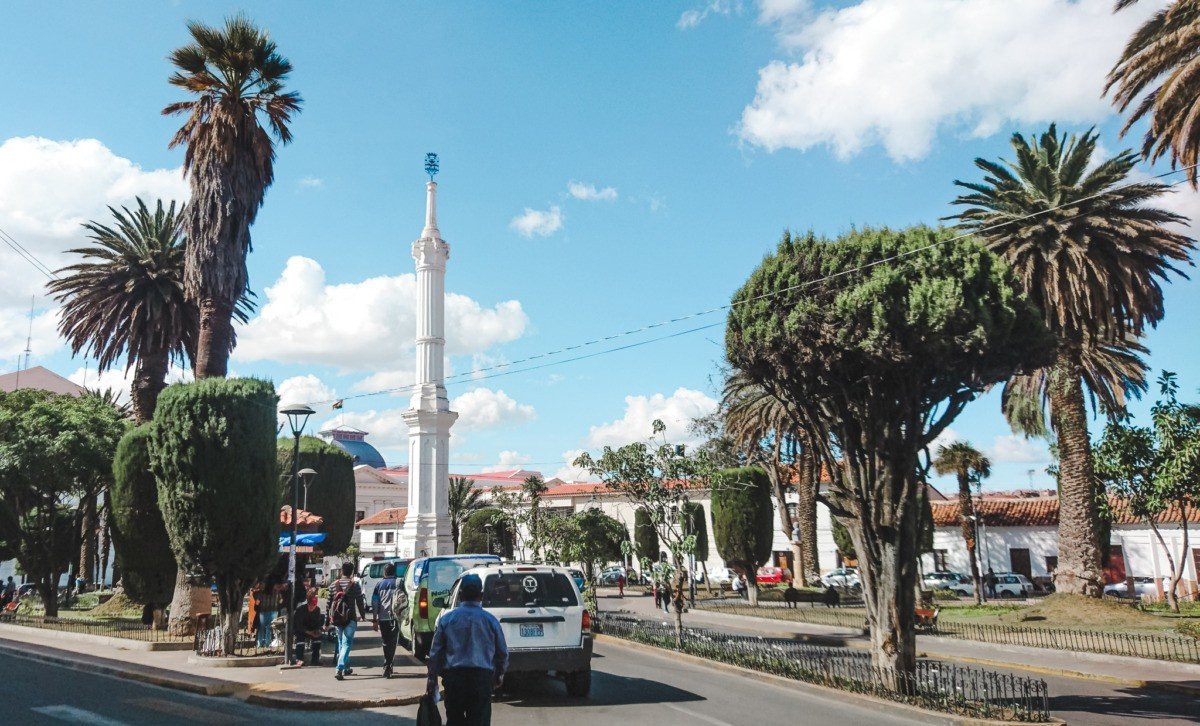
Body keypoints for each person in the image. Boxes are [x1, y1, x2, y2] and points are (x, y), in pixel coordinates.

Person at [426, 574, 508, 726]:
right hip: (481, 680)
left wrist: (432, 679)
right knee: (479, 721)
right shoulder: (491, 621)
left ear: (461, 595)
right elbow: (502, 653)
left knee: (455, 720)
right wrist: (498, 675)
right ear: (481, 596)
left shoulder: (447, 620)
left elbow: (435, 653)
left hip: (454, 680)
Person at [327, 561, 367, 680]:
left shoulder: (333, 585)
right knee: (347, 643)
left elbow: (328, 604)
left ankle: (346, 668)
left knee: (341, 643)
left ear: (341, 571)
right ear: (352, 573)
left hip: (337, 619)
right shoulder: (355, 586)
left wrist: (326, 621)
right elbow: (360, 601)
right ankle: (339, 668)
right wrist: (363, 615)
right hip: (350, 619)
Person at [372, 562, 400, 678]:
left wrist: (375, 619)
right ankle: (389, 664)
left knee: (385, 641)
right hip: (396, 617)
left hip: (383, 618)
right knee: (393, 643)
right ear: (394, 572)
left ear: (384, 572)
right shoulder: (399, 583)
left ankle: (387, 664)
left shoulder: (379, 585)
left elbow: (375, 602)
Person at [293, 588, 324, 666]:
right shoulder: (300, 610)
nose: (312, 608)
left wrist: (318, 630)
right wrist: (309, 632)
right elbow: (299, 626)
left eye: (314, 606)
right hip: (301, 630)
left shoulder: (317, 610)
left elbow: (317, 623)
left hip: (311, 629)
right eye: (311, 606)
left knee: (318, 639)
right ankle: (299, 659)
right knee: (300, 639)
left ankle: (315, 659)